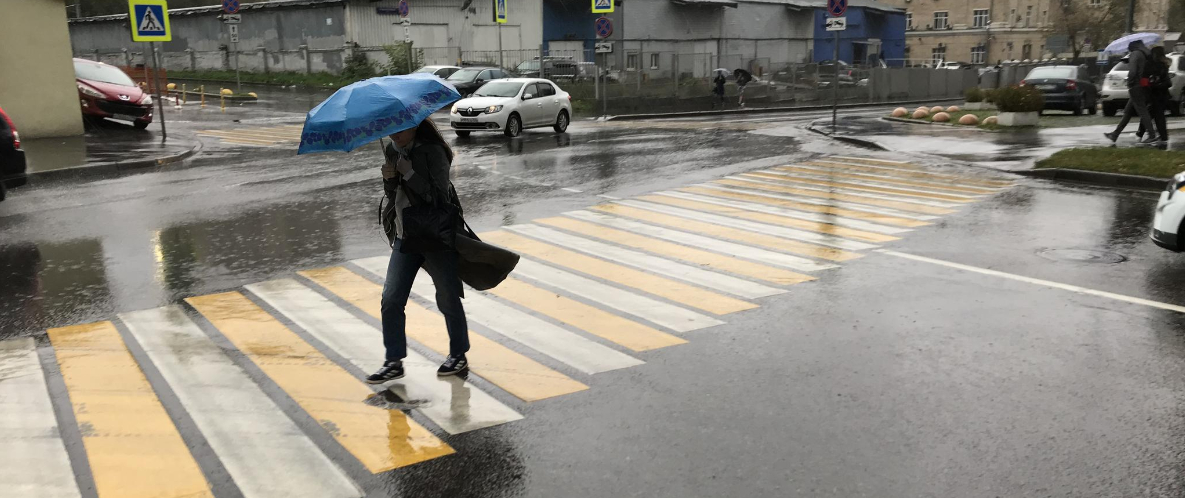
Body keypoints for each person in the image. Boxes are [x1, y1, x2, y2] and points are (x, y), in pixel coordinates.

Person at [368, 119, 470, 383]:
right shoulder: (392, 150)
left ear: (414, 126)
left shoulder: (433, 151)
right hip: (405, 235)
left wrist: (410, 173)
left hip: (434, 235)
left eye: (400, 128)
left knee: (447, 296)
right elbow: (394, 197)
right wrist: (389, 179)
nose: (395, 134)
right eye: (391, 129)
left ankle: (458, 354)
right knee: (391, 299)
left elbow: (439, 197)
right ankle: (393, 361)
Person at [1104, 40, 1157, 144]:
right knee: (1128, 112)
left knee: (1142, 111)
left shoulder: (1135, 54)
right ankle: (1115, 134)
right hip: (1143, 85)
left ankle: (1152, 135)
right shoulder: (1145, 54)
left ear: (1132, 46)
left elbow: (1133, 71)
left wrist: (1130, 81)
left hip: (1135, 86)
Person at [1136, 45, 1171, 144]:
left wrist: (1146, 91)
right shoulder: (1164, 64)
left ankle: (1145, 134)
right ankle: (1158, 135)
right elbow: (1167, 81)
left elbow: (1144, 80)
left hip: (1153, 93)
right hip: (1162, 93)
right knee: (1154, 114)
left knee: (1153, 114)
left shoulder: (1149, 65)